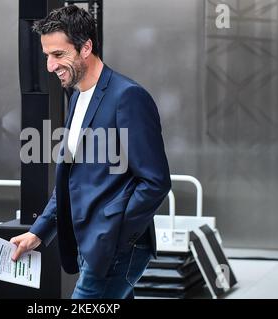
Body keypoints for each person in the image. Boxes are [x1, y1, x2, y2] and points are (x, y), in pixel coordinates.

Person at [10, 5, 171, 299]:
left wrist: (116, 235)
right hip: (91, 245)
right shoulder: (77, 97)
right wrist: (39, 231)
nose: (50, 65)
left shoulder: (128, 96)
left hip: (112, 248)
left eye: (58, 55)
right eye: (47, 55)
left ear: (86, 48)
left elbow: (155, 181)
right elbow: (70, 180)